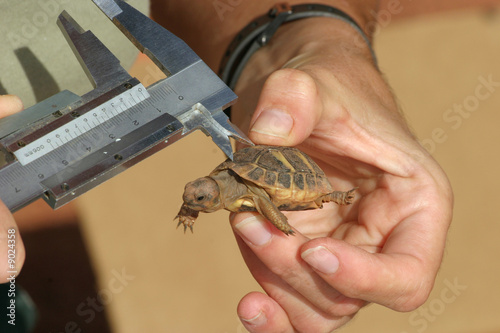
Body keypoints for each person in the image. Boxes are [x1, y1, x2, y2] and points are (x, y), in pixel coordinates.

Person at [1, 0, 455, 332]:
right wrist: (273, 222)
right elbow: (258, 199)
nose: (194, 198)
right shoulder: (232, 192)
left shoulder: (231, 177)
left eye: (195, 196)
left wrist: (307, 42)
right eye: (196, 198)